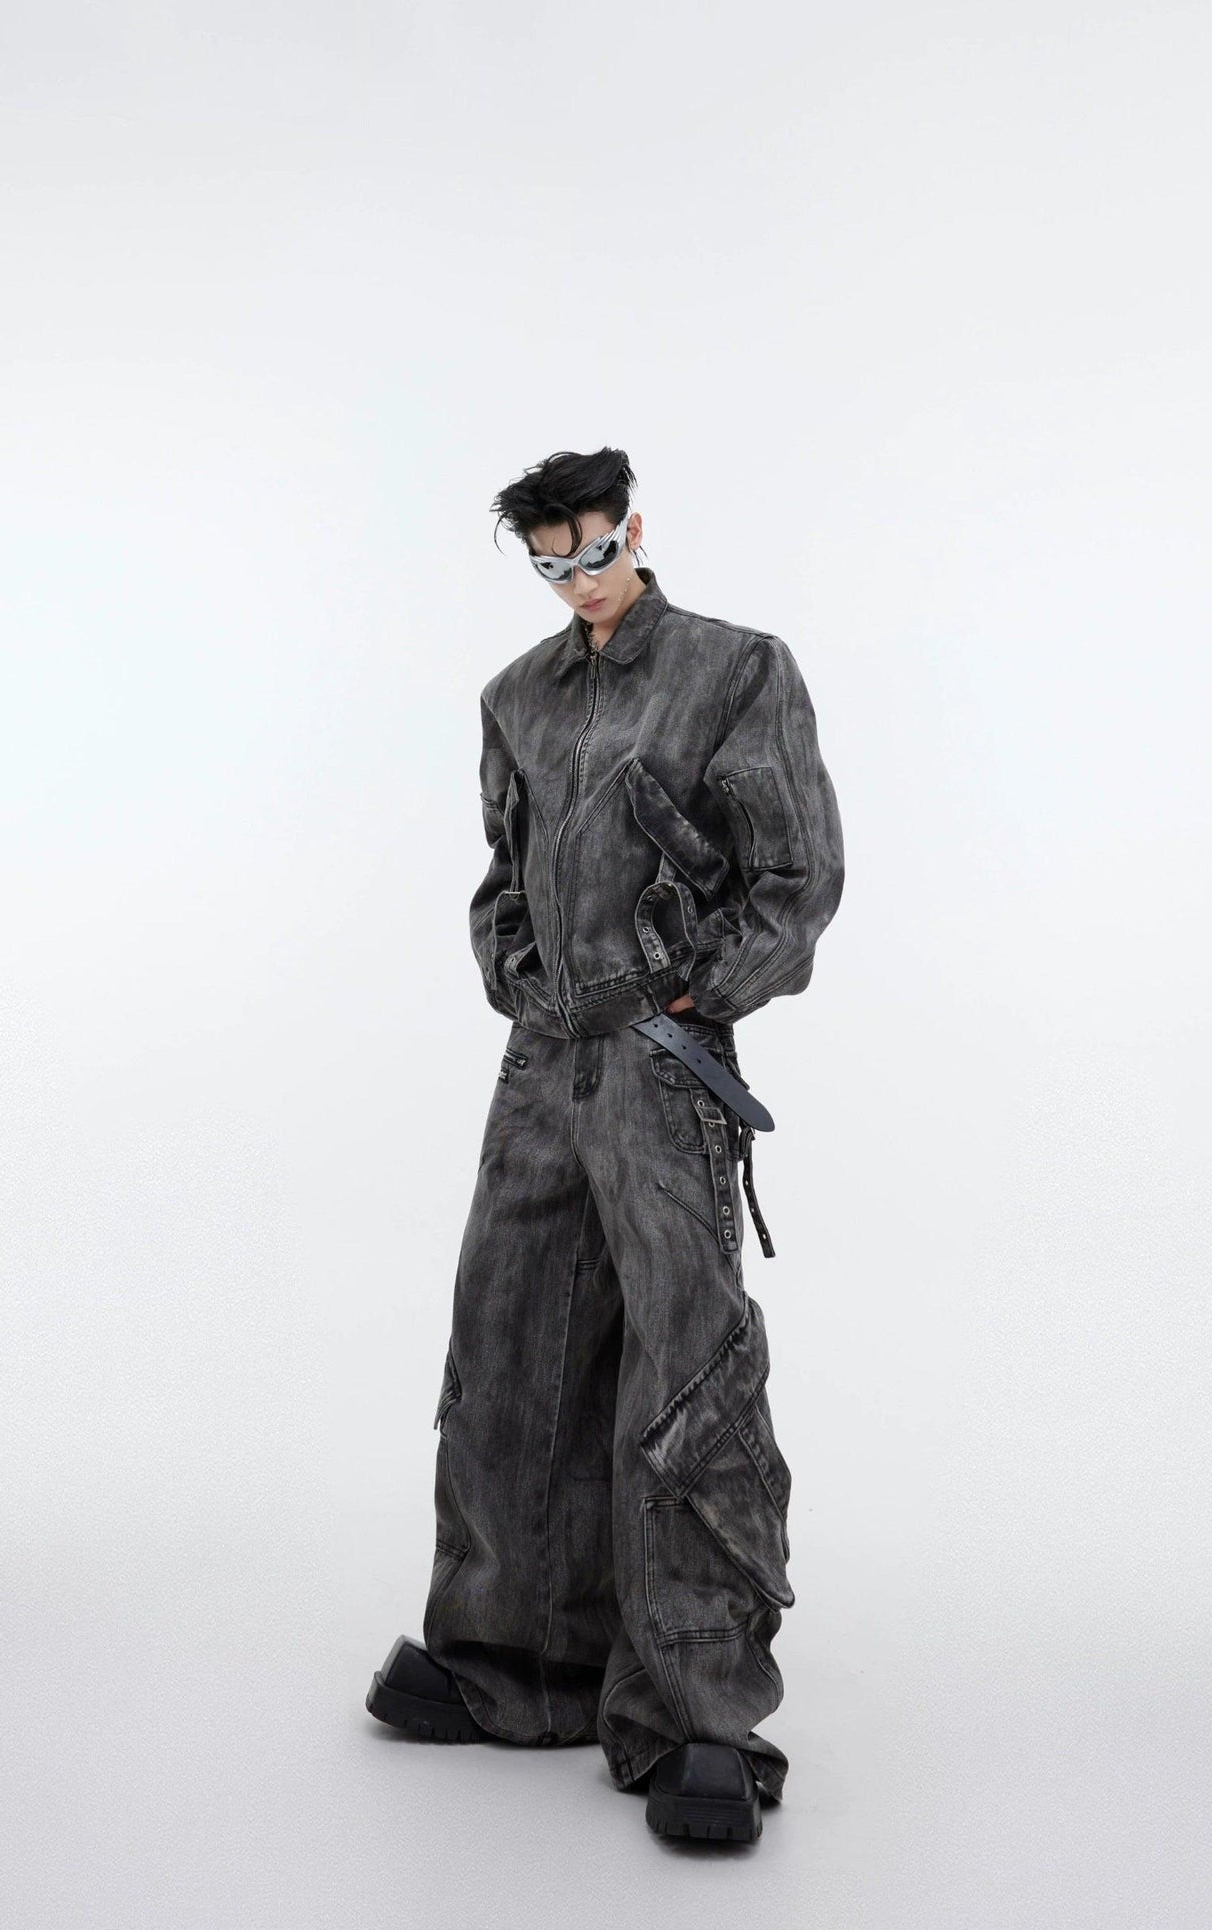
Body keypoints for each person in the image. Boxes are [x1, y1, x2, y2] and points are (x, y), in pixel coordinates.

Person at [365, 447, 845, 1843]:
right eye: (549, 563)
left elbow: (796, 875)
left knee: (685, 1360)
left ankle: (695, 1712)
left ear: (632, 527)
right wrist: (520, 980)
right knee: (507, 1346)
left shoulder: (735, 669)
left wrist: (698, 993)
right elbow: (502, 880)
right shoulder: (515, 695)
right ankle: (513, 1663)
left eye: (591, 550)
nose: (577, 579)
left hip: (660, 1062)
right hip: (541, 1065)